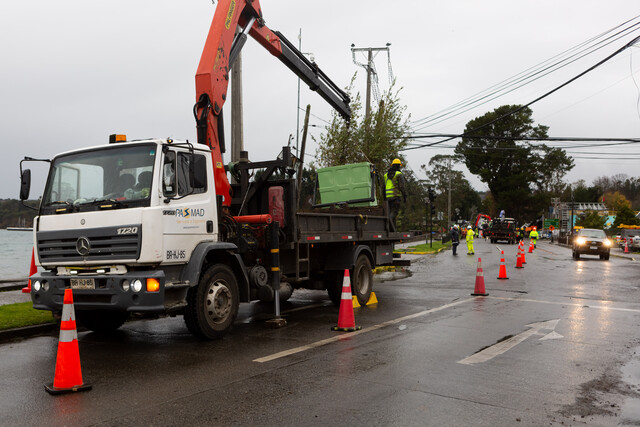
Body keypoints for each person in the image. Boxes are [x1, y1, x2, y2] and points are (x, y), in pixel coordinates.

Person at [384, 158, 407, 230]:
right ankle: (391, 228)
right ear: (399, 166)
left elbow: (383, 188)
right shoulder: (399, 174)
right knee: (393, 213)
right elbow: (401, 187)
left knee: (390, 213)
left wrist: (384, 198)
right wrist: (405, 196)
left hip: (387, 198)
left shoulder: (385, 175)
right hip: (395, 197)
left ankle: (392, 230)